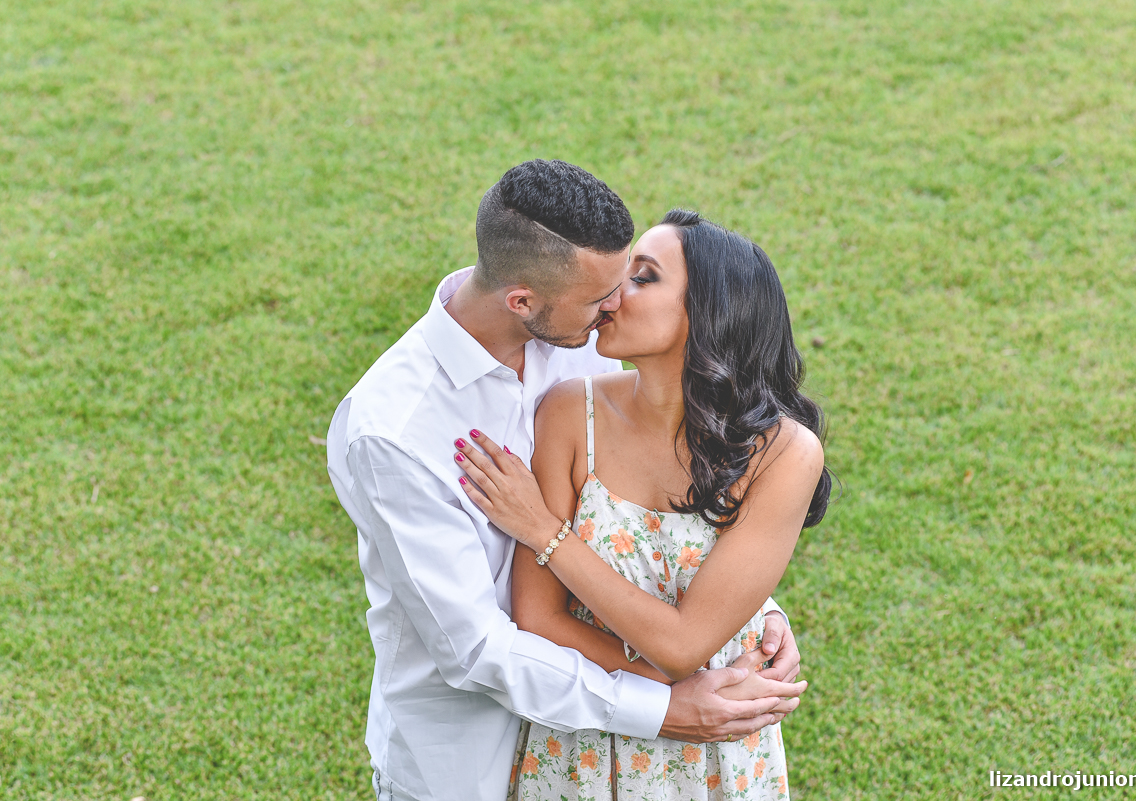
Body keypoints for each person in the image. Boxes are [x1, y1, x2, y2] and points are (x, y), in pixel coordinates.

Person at [326, 161, 809, 801]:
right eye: (602, 295)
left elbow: (656, 507)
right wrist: (665, 705)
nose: (615, 305)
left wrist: (741, 610)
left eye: (630, 278)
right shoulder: (393, 432)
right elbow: (477, 650)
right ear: (521, 300)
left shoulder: (585, 331)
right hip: (474, 760)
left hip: (634, 704)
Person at [452, 209, 832, 799]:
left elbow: (686, 643)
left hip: (714, 741)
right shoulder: (568, 413)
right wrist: (664, 694)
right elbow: (540, 616)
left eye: (643, 277)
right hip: (585, 738)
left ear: (711, 310)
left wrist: (545, 531)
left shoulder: (785, 453)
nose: (612, 294)